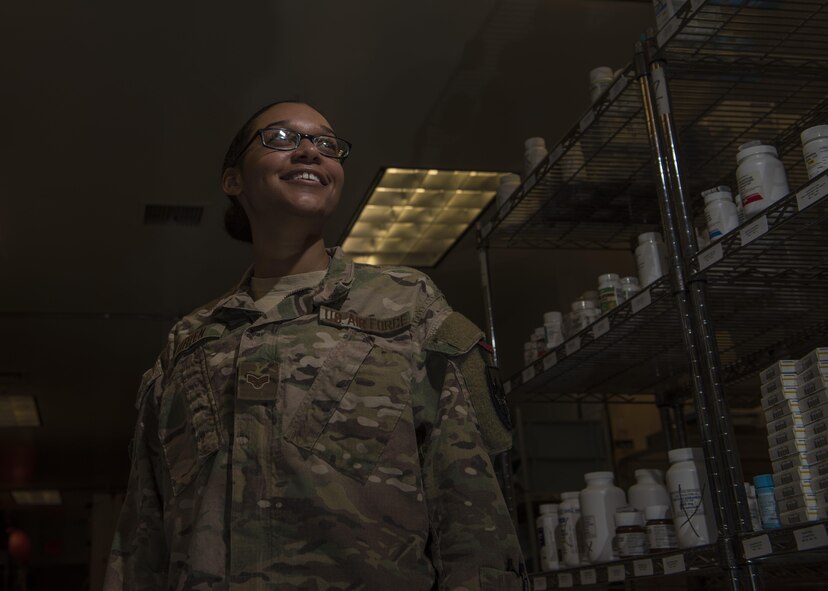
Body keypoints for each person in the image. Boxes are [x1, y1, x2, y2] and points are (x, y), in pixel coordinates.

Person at [104, 101, 526, 590]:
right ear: (233, 180)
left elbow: (473, 509)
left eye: (327, 144)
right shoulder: (188, 345)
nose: (310, 152)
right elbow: (142, 536)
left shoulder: (406, 307)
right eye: (281, 139)